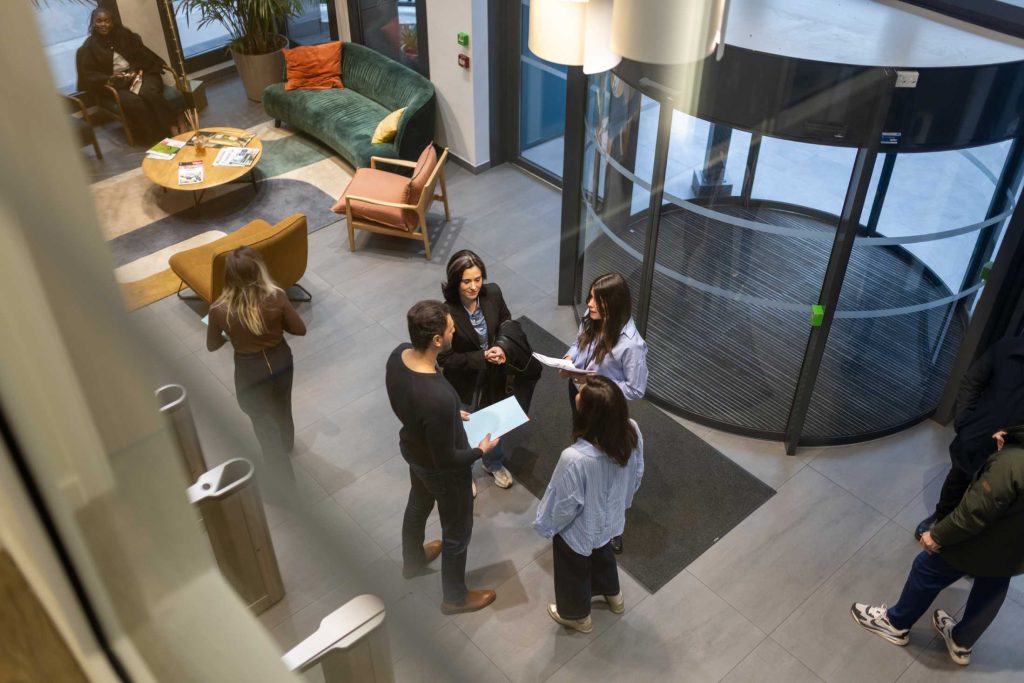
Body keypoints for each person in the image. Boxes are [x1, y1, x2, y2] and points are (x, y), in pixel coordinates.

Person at [852, 424, 1024, 667]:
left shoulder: (1013, 464)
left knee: (927, 569)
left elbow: (974, 513)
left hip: (984, 541)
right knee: (992, 588)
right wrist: (1012, 438)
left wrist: (938, 535)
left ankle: (895, 624)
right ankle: (962, 643)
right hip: (1015, 551)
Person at [385, 300, 500, 614]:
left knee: (419, 504)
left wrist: (449, 415)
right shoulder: (435, 397)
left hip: (412, 449)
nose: (454, 332)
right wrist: (481, 451)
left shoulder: (397, 355)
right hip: (442, 470)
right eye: (450, 329)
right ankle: (455, 597)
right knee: (457, 532)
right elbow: (447, 459)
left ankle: (413, 561)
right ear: (437, 340)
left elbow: (413, 407)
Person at [533, 376, 644, 634]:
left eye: (580, 397)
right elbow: (638, 473)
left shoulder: (575, 458)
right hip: (612, 518)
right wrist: (622, 502)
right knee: (602, 550)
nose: (576, 394)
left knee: (572, 567)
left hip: (579, 528)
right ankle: (612, 595)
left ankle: (576, 615)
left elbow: (561, 504)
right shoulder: (631, 431)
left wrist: (545, 526)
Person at [560, 272, 648, 554]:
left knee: (609, 469)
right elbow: (578, 343)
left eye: (596, 301)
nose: (589, 305)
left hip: (606, 410)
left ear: (613, 304)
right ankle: (583, 504)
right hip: (580, 395)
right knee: (584, 452)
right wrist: (570, 358)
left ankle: (613, 528)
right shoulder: (592, 315)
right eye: (589, 298)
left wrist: (598, 384)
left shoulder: (631, 345)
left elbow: (636, 389)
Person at [207, 247, 305, 482]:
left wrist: (232, 334)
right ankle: (287, 445)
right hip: (281, 361)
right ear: (259, 271)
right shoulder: (278, 296)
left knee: (264, 427)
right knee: (283, 406)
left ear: (229, 277)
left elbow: (212, 345)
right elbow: (299, 329)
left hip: (250, 373)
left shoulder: (219, 310)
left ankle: (284, 486)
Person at [916, 336, 1024, 539]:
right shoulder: (1007, 348)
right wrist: (964, 421)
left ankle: (976, 543)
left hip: (1016, 453)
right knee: (958, 479)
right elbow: (972, 381)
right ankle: (941, 517)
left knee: (997, 497)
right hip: (979, 435)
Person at [438, 250, 515, 491]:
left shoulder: (493, 293)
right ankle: (464, 472)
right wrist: (481, 356)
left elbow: (506, 323)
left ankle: (493, 463)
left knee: (493, 420)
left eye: (478, 279)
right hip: (464, 380)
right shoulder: (446, 312)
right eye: (466, 281)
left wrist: (501, 346)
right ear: (455, 282)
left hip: (495, 374)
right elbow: (445, 358)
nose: (473, 286)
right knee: (462, 428)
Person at [76, 8, 178, 145]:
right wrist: (111, 77)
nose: (103, 24)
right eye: (99, 21)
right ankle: (154, 137)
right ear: (93, 23)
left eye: (107, 21)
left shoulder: (125, 35)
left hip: (143, 73)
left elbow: (143, 56)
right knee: (135, 103)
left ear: (112, 22)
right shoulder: (89, 47)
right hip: (116, 84)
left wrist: (135, 70)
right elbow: (89, 74)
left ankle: (172, 125)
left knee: (150, 93)